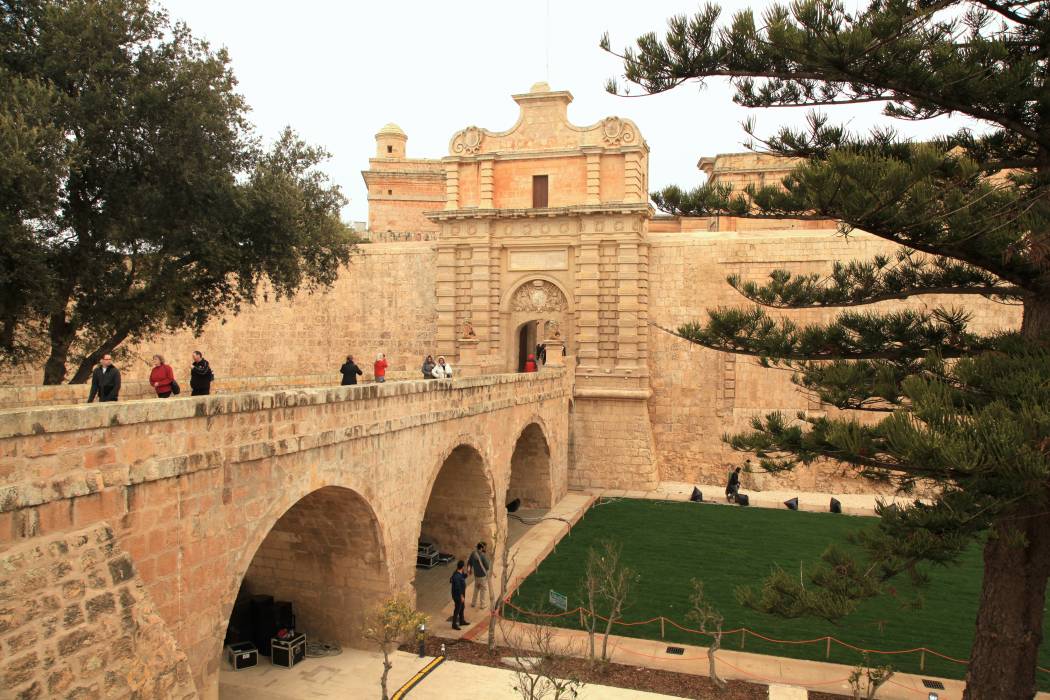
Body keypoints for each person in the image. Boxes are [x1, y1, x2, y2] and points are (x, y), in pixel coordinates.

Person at [468, 542, 490, 609]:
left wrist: (470, 570)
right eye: (484, 547)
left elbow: (469, 562)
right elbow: (487, 566)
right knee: (483, 590)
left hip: (476, 575)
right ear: (481, 548)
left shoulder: (473, 553)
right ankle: (482, 605)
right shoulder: (482, 556)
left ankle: (473, 603)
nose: (485, 548)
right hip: (482, 576)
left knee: (476, 588)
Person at [450, 560, 468, 630]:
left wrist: (467, 574)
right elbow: (457, 588)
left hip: (461, 594)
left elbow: (463, 576)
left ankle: (461, 621)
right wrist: (461, 596)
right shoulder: (456, 575)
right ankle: (454, 624)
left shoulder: (460, 572)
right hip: (457, 595)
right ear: (462, 567)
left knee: (462, 607)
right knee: (457, 609)